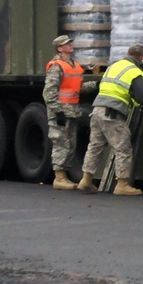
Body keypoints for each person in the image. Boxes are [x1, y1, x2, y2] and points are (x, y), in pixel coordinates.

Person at [77, 44, 143, 196]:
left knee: (95, 146)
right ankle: (122, 184)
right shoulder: (134, 72)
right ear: (140, 57)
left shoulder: (113, 67)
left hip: (97, 110)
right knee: (123, 148)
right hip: (112, 113)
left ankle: (86, 180)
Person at [42, 35, 98, 190]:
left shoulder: (72, 64)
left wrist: (95, 85)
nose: (71, 45)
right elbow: (49, 92)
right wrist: (58, 111)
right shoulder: (57, 66)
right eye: (67, 44)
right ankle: (59, 178)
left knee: (70, 145)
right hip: (61, 112)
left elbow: (76, 88)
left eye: (70, 42)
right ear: (60, 48)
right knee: (61, 143)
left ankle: (63, 176)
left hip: (72, 111)